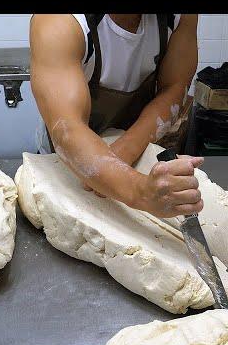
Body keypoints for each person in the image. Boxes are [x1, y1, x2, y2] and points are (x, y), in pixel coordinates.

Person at [30, 13, 203, 218]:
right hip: (69, 159)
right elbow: (68, 127)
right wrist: (140, 192)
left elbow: (174, 87)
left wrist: (125, 151)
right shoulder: (59, 21)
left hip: (137, 152)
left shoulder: (179, 17)